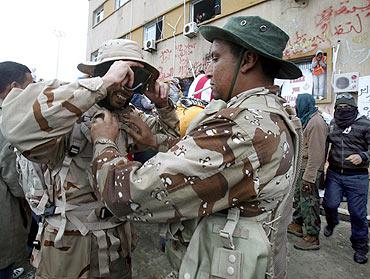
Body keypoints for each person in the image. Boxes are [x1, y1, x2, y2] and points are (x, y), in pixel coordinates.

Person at [89, 16, 303, 278]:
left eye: (215, 58)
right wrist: (155, 140)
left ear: (247, 61)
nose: (207, 71)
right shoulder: (272, 112)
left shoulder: (244, 126)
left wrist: (104, 141)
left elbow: (127, 195)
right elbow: (207, 162)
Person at [0, 39, 179, 278]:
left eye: (136, 78)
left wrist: (163, 106)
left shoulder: (129, 117)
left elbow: (174, 145)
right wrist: (103, 84)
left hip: (117, 242)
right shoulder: (68, 114)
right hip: (69, 247)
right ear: (104, 72)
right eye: (123, 74)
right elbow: (17, 127)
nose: (127, 86)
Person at [323, 93, 370, 264]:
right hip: (335, 174)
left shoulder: (365, 123)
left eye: (347, 108)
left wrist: (363, 156)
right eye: (339, 108)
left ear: (354, 109)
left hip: (357, 176)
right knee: (329, 204)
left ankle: (360, 246)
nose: (343, 111)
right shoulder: (333, 124)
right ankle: (332, 221)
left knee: (357, 214)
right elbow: (326, 143)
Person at [0, 61, 33, 279]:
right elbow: (12, 172)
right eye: (29, 86)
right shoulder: (8, 119)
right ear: (13, 87)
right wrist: (29, 197)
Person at [287, 93, 328, 250]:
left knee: (309, 202)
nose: (297, 107)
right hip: (303, 168)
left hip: (309, 170)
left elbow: (316, 155)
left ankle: (312, 236)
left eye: (299, 103)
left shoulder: (316, 123)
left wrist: (309, 178)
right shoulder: (308, 119)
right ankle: (297, 224)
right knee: (300, 198)